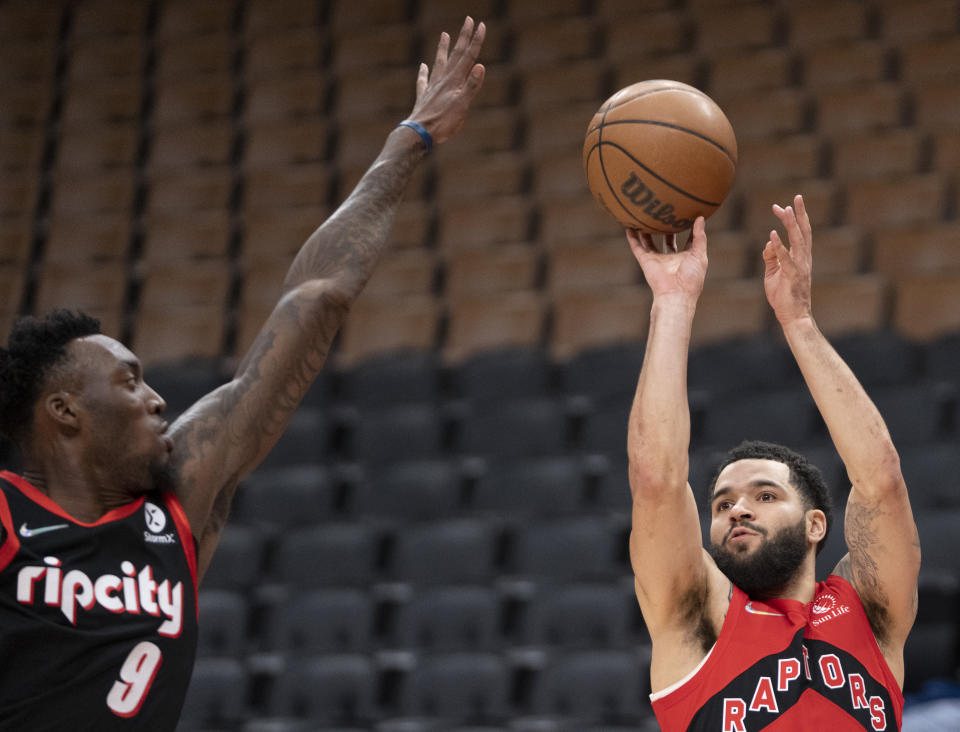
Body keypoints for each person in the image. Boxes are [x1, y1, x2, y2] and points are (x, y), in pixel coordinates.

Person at [0, 17, 486, 731]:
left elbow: (314, 301)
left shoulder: (176, 506)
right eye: (130, 383)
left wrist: (409, 140)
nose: (158, 397)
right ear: (64, 411)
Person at [625, 196, 920, 730]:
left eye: (765, 496)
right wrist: (672, 302)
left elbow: (881, 479)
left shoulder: (869, 613)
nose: (737, 509)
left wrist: (799, 320)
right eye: (723, 503)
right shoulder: (697, 618)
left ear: (816, 524)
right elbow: (656, 481)